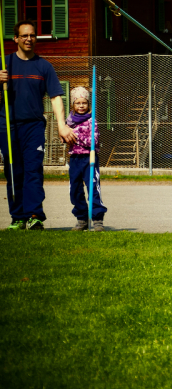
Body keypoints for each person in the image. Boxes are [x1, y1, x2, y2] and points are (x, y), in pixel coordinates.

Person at [0, 21, 76, 230]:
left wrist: (62, 125)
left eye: (32, 35)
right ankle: (17, 217)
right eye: (24, 35)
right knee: (14, 171)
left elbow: (56, 97)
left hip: (34, 126)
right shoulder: (4, 63)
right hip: (8, 126)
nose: (28, 39)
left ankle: (34, 216)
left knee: (33, 170)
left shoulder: (44, 66)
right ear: (15, 39)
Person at [66, 86, 107, 231]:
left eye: (84, 103)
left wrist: (76, 136)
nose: (81, 106)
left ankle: (97, 219)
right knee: (75, 189)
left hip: (89, 159)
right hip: (75, 159)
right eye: (78, 103)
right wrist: (65, 135)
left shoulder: (91, 120)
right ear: (73, 104)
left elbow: (93, 141)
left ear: (88, 104)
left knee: (93, 188)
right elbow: (65, 138)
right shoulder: (69, 121)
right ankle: (82, 218)